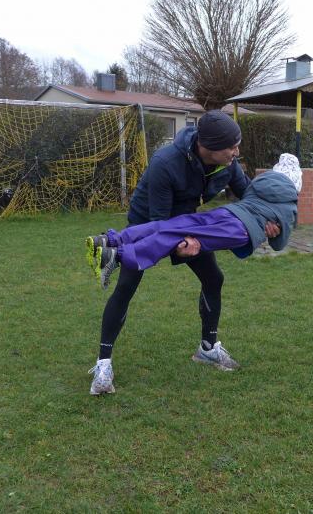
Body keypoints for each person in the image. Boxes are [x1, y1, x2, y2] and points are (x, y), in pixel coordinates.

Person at [87, 110, 282, 396]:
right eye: (232, 146)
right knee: (126, 287)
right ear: (209, 147)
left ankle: (208, 349)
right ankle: (103, 366)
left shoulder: (228, 165)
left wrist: (269, 220)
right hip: (147, 226)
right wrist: (184, 244)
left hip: (187, 223)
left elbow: (250, 196)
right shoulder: (166, 163)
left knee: (214, 278)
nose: (237, 152)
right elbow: (161, 225)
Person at [87, 153, 302, 286]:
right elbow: (279, 244)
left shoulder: (259, 183)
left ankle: (110, 239)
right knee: (174, 237)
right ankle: (115, 256)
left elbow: (247, 199)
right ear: (295, 183)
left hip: (226, 213)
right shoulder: (290, 204)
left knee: (172, 226)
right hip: (239, 230)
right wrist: (275, 232)